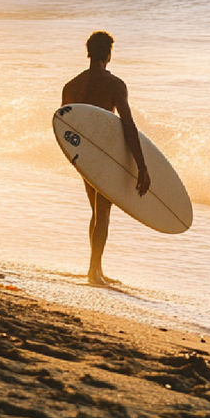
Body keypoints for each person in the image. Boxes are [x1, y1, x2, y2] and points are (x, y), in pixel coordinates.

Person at [61, 30, 150, 286]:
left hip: (84, 156)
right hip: (106, 156)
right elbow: (128, 126)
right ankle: (94, 272)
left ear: (88, 52)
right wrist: (142, 166)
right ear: (109, 54)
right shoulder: (114, 85)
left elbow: (65, 128)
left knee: (96, 211)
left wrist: (74, 158)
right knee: (103, 212)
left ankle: (95, 267)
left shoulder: (71, 85)